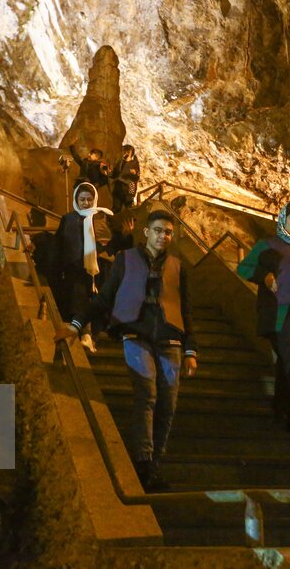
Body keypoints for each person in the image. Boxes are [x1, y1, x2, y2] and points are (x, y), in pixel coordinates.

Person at [63, 210, 198, 491]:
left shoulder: (177, 265)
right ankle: (143, 462)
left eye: (168, 232)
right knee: (147, 394)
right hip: (135, 334)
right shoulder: (126, 260)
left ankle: (154, 465)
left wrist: (190, 350)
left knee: (168, 405)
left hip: (170, 340)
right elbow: (104, 298)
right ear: (146, 232)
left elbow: (186, 310)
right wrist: (76, 324)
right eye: (158, 230)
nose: (163, 236)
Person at [237, 201, 290, 431]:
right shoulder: (269, 245)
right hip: (281, 313)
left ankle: (285, 410)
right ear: (283, 219)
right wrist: (265, 276)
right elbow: (244, 268)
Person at [48, 182, 131, 353]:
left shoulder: (104, 217)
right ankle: (86, 335)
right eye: (82, 199)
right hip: (76, 269)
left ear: (95, 199)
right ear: (76, 200)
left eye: (89, 199)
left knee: (100, 302)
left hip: (102, 268)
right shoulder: (69, 219)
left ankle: (93, 337)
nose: (85, 203)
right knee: (80, 300)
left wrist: (126, 235)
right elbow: (58, 245)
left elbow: (116, 245)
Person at [111, 144, 141, 213]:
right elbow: (114, 175)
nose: (125, 153)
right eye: (124, 151)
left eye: (128, 151)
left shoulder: (134, 163)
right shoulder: (120, 162)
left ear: (131, 153)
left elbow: (137, 176)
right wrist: (109, 172)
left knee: (128, 208)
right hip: (118, 188)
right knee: (116, 208)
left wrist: (134, 172)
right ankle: (113, 222)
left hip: (128, 188)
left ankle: (128, 222)